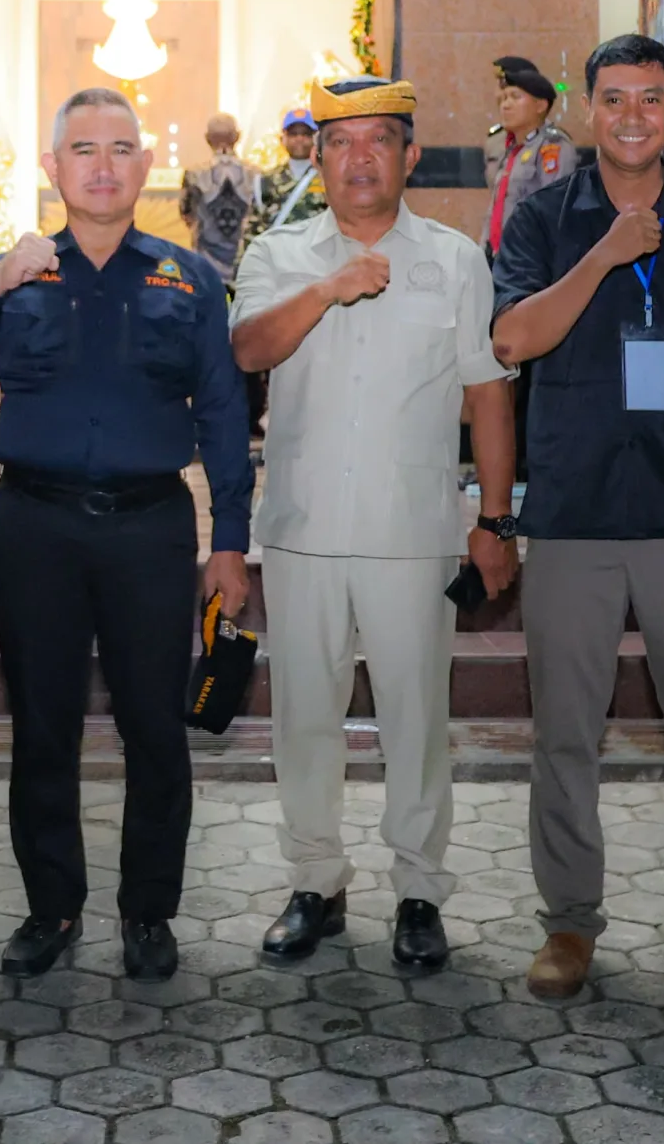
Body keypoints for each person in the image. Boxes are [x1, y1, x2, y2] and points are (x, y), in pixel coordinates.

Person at [0, 87, 251, 982]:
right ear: (53, 167)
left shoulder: (189, 278)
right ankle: (51, 906)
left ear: (147, 166)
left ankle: (148, 911)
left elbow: (222, 412)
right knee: (43, 726)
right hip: (37, 528)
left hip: (150, 530)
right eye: (84, 150)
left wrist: (230, 540)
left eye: (121, 149)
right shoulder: (15, 270)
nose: (103, 167)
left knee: (155, 728)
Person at [491, 33, 664, 1004]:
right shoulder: (542, 218)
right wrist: (605, 254)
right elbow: (513, 336)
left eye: (650, 98)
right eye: (613, 98)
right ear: (587, 109)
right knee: (566, 734)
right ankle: (569, 922)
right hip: (574, 514)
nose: (632, 116)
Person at [230, 77, 516, 972]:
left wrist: (495, 521)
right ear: (317, 158)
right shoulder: (278, 252)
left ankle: (420, 890)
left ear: (410, 155)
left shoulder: (455, 260)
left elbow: (488, 395)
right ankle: (315, 881)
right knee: (303, 718)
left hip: (413, 529)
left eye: (379, 140)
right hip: (304, 525)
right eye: (342, 142)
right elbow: (247, 349)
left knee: (416, 720)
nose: (360, 159)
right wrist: (329, 288)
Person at [485, 55, 573, 256]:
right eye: (504, 98)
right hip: (500, 254)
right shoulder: (512, 149)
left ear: (540, 105)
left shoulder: (553, 146)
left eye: (515, 97)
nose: (505, 105)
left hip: (530, 256)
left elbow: (553, 210)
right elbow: (497, 206)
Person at [179, 112, 260, 285]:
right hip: (246, 262)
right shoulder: (256, 174)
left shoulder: (194, 174)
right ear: (237, 137)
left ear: (207, 138)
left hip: (206, 263)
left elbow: (186, 214)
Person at [247, 105, 325, 244]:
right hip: (276, 255)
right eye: (293, 134)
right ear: (282, 139)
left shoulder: (329, 179)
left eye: (306, 134)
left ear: (317, 139)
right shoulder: (265, 181)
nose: (299, 139)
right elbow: (253, 229)